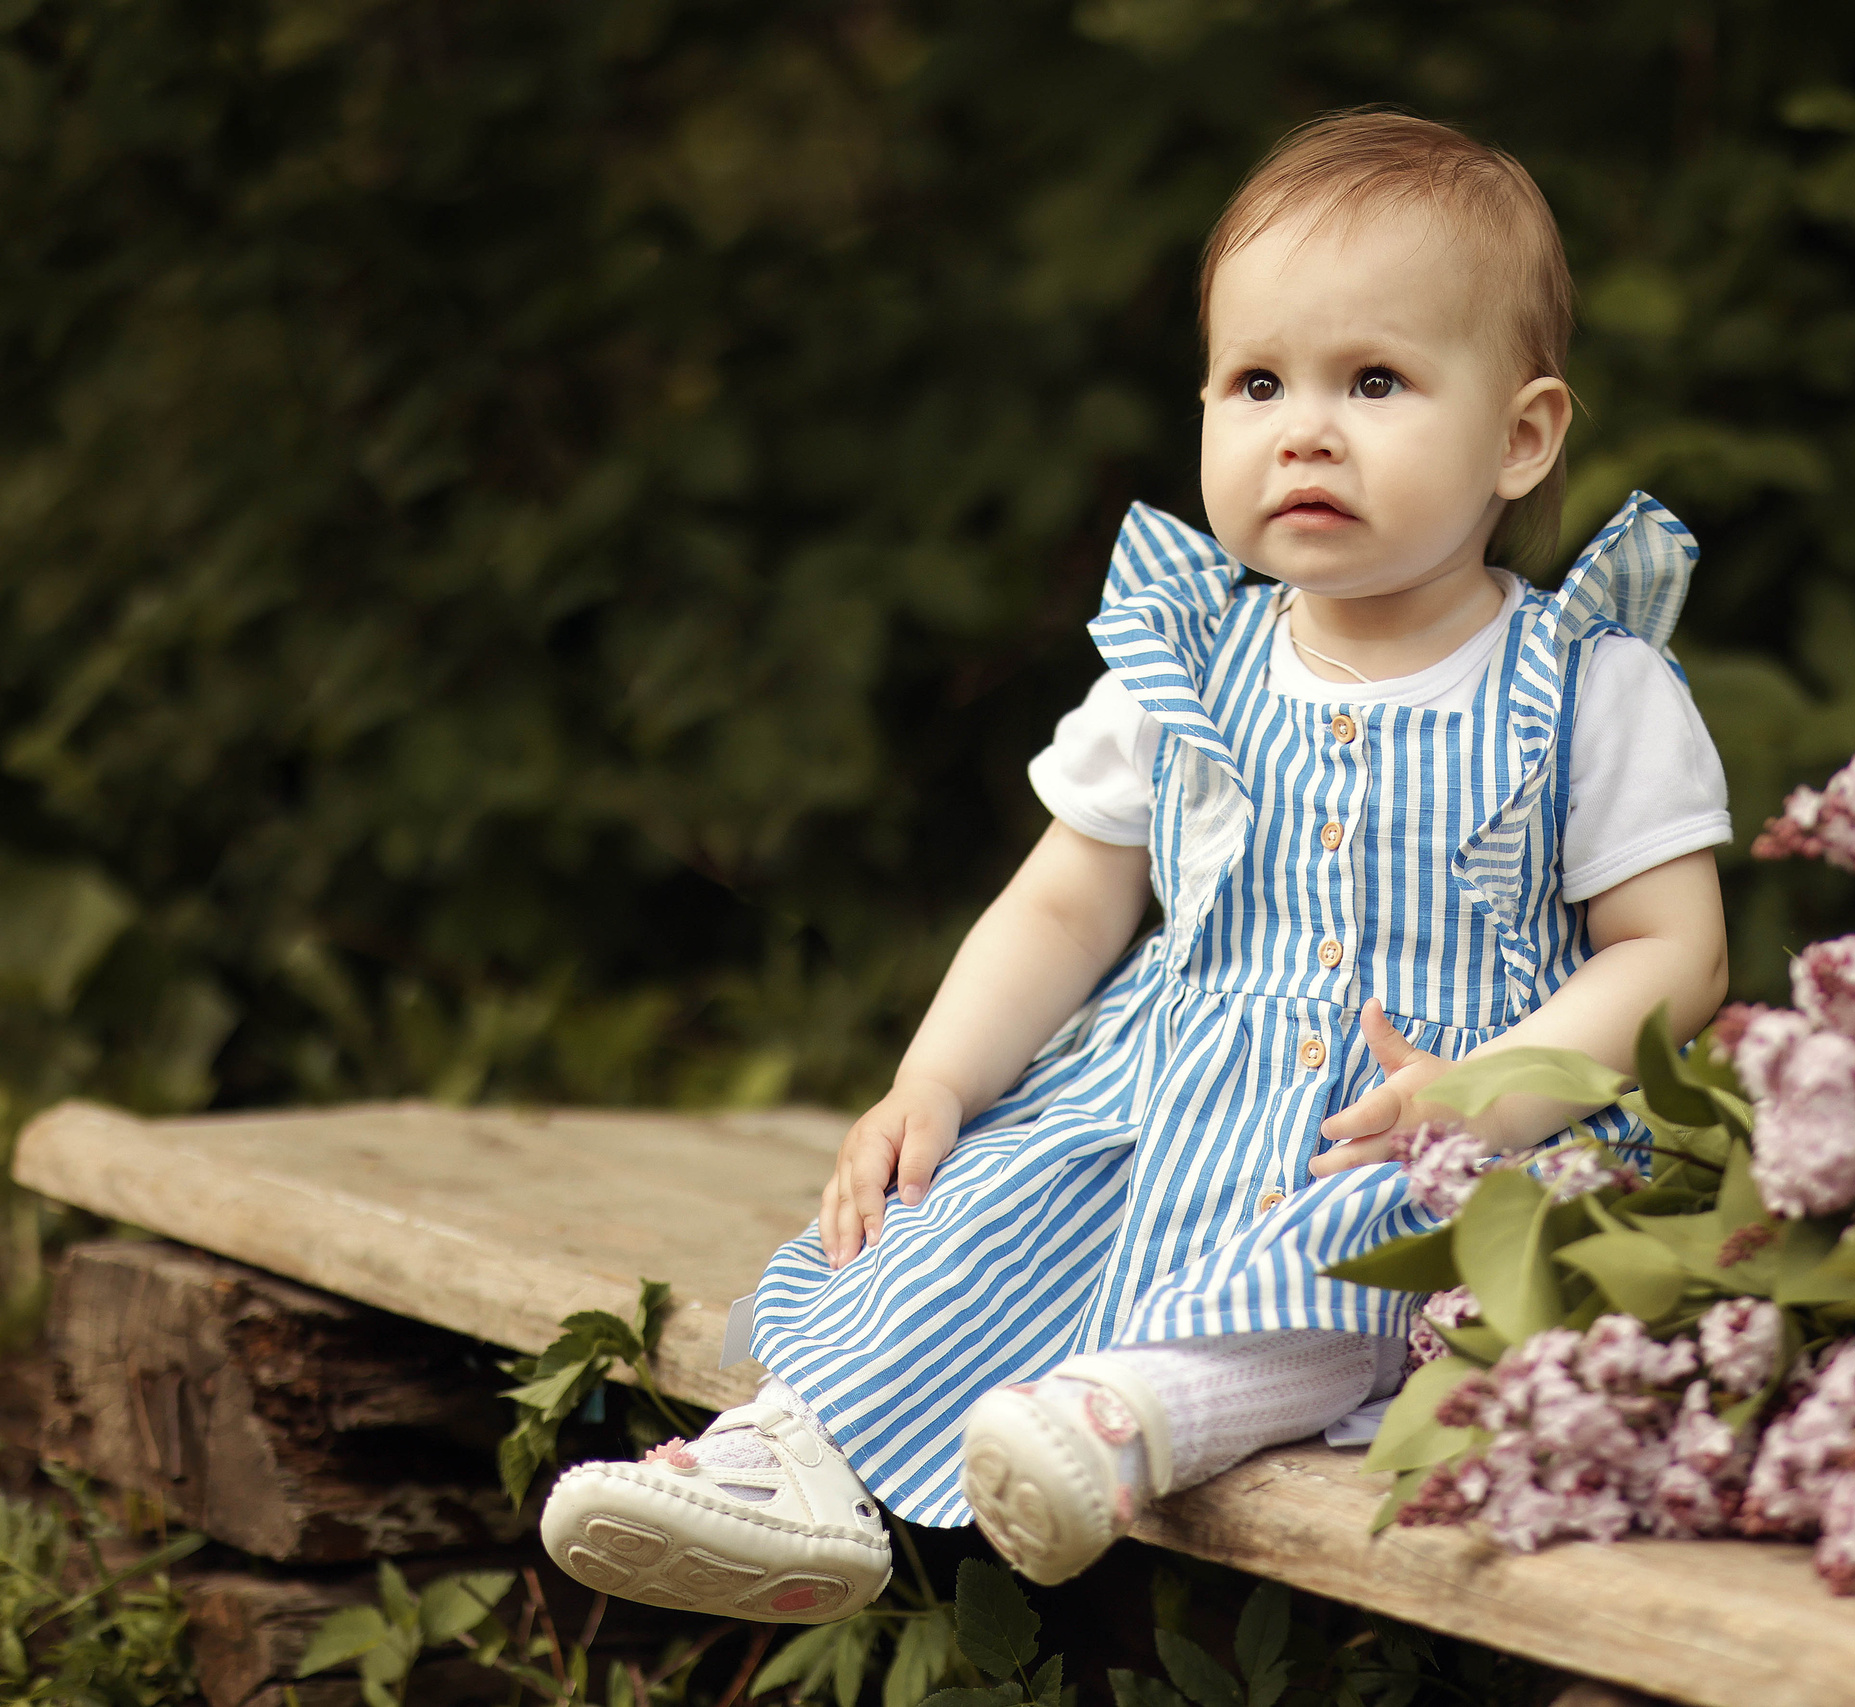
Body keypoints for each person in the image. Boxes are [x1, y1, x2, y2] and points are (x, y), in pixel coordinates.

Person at [539, 108, 1733, 1621]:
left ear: (1522, 434)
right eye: (1258, 382)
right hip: (1168, 1093)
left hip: (1410, 1114)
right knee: (968, 1217)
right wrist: (937, 1083)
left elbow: (1672, 953)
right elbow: (1067, 895)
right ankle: (790, 1462)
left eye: (1374, 381)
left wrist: (1492, 1088)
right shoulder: (1189, 661)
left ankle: (1126, 1422)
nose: (1304, 427)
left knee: (1365, 1256)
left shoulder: (1582, 685)